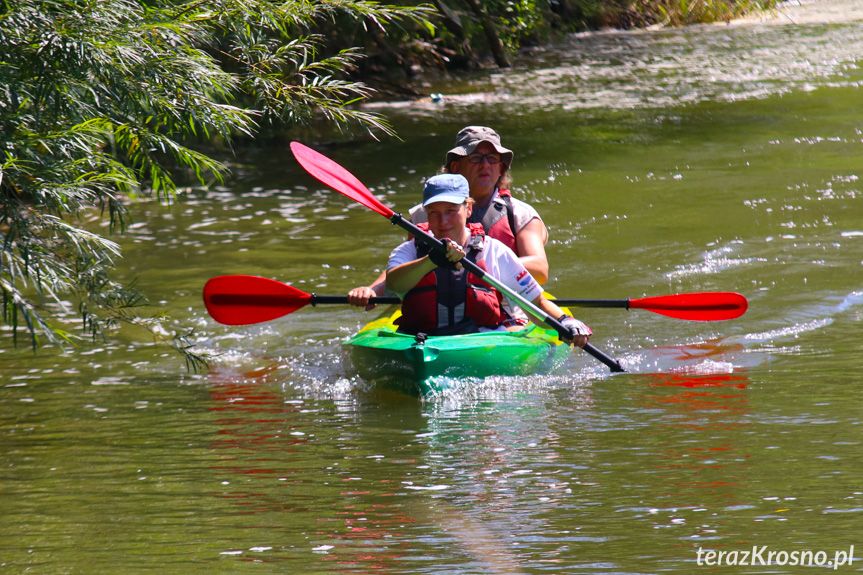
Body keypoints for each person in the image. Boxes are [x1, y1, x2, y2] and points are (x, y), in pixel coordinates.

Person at [348, 126, 549, 312]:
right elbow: (409, 259)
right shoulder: (423, 213)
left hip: (503, 306)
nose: (485, 165)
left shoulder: (521, 214)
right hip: (435, 303)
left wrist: (473, 261)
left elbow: (540, 269)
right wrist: (375, 290)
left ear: (501, 168)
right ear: (455, 166)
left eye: (493, 158)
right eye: (476, 157)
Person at [384, 173, 590, 346]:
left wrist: (565, 321)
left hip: (480, 341)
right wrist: (431, 260)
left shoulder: (494, 251)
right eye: (434, 213)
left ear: (468, 209)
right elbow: (394, 283)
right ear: (426, 214)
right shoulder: (408, 251)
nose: (442, 221)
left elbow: (535, 303)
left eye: (451, 211)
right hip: (421, 342)